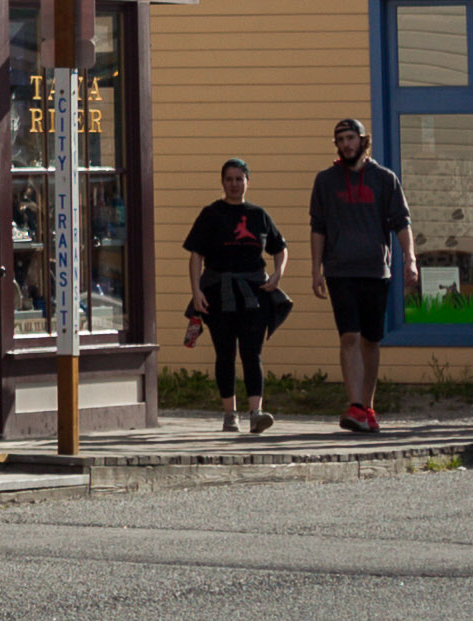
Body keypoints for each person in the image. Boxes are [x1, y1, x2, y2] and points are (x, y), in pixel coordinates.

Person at [303, 118, 412, 436]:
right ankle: (354, 406)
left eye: (351, 138)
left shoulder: (384, 179)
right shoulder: (325, 181)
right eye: (340, 140)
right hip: (340, 270)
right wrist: (315, 268)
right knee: (348, 336)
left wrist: (411, 260)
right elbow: (318, 226)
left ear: (363, 141)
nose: (346, 144)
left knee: (371, 340)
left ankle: (367, 406)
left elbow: (401, 222)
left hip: (376, 270)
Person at [177, 161, 284, 434]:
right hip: (217, 293)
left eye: (239, 179)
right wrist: (196, 291)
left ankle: (256, 413)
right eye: (229, 179)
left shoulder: (259, 215)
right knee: (225, 353)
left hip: (254, 293)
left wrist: (277, 273)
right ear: (222, 182)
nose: (234, 184)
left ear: (248, 181)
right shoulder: (211, 214)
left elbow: (280, 248)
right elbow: (196, 255)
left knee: (252, 352)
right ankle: (229, 414)